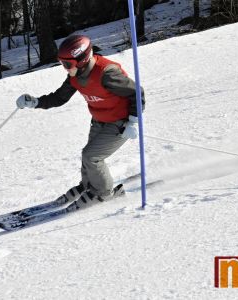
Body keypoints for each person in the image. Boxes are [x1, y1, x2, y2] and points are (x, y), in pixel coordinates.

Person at [16, 34, 145, 210]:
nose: (64, 68)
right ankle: (88, 186)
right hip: (99, 120)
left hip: (121, 122)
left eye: (67, 64)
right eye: (62, 63)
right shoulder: (75, 76)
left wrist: (133, 121)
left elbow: (137, 93)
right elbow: (60, 97)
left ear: (81, 60)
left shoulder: (106, 73)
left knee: (92, 157)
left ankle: (104, 193)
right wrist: (36, 102)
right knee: (87, 156)